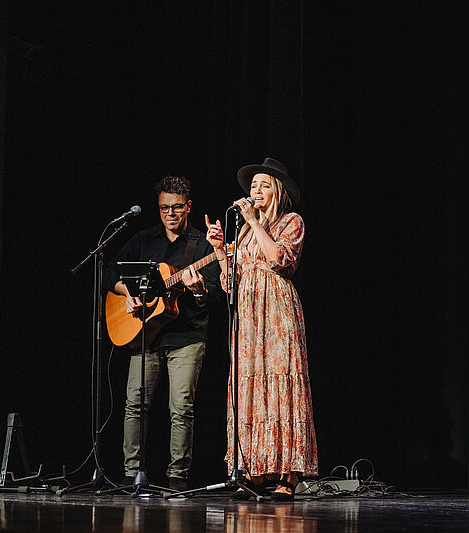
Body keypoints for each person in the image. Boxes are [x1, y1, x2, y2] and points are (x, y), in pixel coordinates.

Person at [205, 157, 317, 501]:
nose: (256, 191)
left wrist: (254, 222)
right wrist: (219, 251)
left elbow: (280, 259)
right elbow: (230, 282)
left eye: (264, 185)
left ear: (278, 191)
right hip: (249, 314)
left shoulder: (291, 221)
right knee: (251, 386)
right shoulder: (241, 232)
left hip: (277, 311)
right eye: (253, 186)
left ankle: (289, 474)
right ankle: (252, 469)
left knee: (281, 381)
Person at [104, 176, 223, 493]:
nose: (170, 213)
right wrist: (126, 292)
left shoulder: (203, 246)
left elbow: (213, 294)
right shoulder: (144, 240)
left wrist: (197, 290)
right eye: (164, 208)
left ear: (189, 206)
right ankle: (131, 475)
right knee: (134, 404)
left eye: (177, 207)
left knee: (181, 408)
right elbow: (109, 271)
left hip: (187, 336)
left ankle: (177, 478)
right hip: (145, 335)